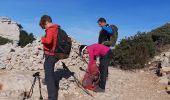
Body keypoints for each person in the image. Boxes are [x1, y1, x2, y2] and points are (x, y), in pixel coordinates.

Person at [39, 15, 59, 100]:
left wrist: (42, 39)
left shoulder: (51, 29)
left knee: (49, 75)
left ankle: (52, 97)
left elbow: (48, 41)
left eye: (44, 26)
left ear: (46, 22)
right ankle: (47, 81)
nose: (44, 28)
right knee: (47, 68)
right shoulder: (56, 28)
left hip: (51, 54)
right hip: (54, 54)